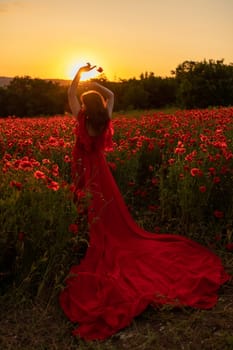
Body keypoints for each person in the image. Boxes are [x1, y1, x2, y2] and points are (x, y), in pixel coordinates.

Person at [60, 63, 230, 341]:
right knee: (109, 213)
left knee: (87, 209)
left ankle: (85, 241)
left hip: (83, 169)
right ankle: (93, 237)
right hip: (101, 173)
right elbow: (112, 96)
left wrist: (80, 74)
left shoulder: (81, 119)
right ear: (100, 105)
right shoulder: (103, 120)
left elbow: (70, 92)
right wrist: (98, 86)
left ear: (84, 106)